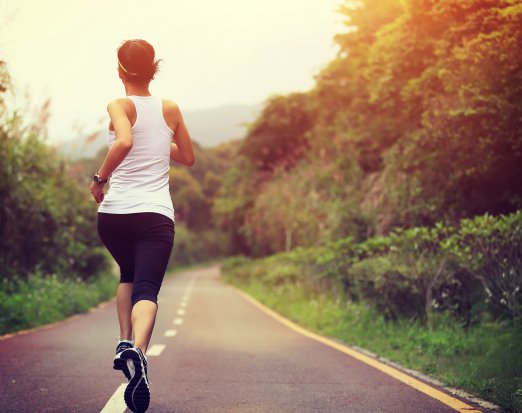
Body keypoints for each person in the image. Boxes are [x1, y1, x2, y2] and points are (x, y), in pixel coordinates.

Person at [89, 39, 195, 413]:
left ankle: (123, 342)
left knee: (127, 276)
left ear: (120, 71)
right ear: (154, 69)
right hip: (153, 215)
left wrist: (99, 179)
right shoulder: (171, 108)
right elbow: (188, 157)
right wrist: (160, 139)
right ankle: (139, 351)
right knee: (146, 287)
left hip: (114, 216)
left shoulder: (119, 105)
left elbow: (125, 140)